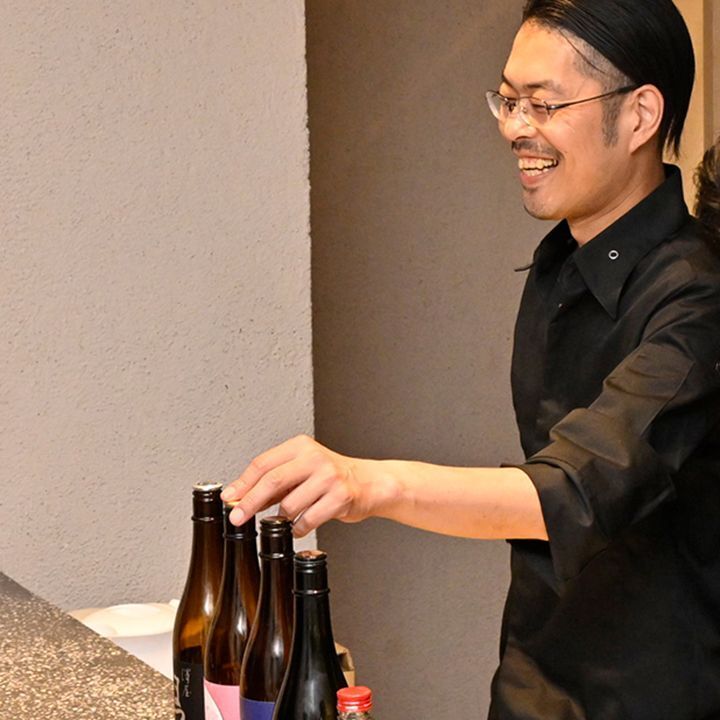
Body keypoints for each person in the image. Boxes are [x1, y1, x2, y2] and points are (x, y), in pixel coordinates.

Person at [222, 1, 720, 717]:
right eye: (508, 100)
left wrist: (369, 483)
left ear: (640, 115)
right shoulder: (562, 262)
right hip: (535, 681)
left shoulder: (697, 298)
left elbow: (572, 493)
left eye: (543, 104)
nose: (516, 128)